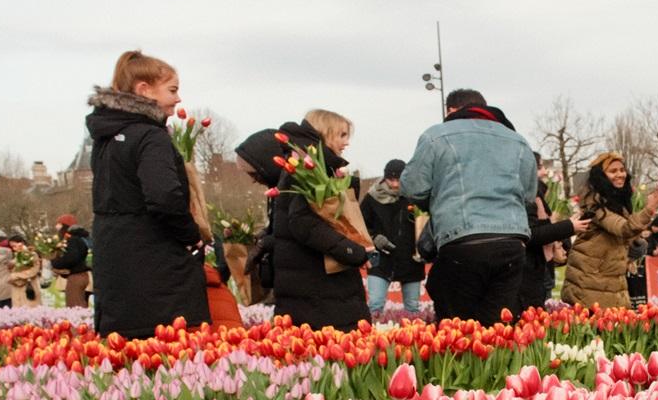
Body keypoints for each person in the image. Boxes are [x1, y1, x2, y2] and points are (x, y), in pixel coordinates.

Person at [85, 49, 210, 338]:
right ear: (144, 90)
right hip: (155, 261)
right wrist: (191, 236)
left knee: (127, 356)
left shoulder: (105, 138)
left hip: (113, 254)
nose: (178, 99)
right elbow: (164, 197)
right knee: (165, 353)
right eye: (172, 90)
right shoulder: (149, 136)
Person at [401, 88, 538, 324]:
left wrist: (437, 198)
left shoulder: (437, 136)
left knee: (458, 328)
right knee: (498, 328)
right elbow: (528, 195)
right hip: (511, 241)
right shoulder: (518, 140)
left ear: (451, 111)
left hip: (462, 240)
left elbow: (412, 188)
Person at [233, 121, 370, 331]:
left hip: (320, 298)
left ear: (266, 164)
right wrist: (265, 240)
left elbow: (304, 226)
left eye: (254, 173)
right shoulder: (284, 187)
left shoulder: (301, 181)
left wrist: (355, 252)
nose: (254, 181)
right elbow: (292, 232)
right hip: (306, 296)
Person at [561, 152, 658, 308]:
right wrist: (651, 207)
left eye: (622, 170)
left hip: (611, 278)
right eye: (613, 171)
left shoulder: (617, 202)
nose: (620, 174)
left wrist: (637, 244)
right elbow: (623, 229)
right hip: (590, 281)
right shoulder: (594, 203)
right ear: (601, 176)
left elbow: (626, 234)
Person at [517, 155, 587, 314]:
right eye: (540, 167)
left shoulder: (538, 195)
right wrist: (568, 226)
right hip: (529, 272)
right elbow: (531, 233)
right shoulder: (528, 196)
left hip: (539, 270)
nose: (543, 173)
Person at [361, 159, 424, 318]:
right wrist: (374, 238)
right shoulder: (371, 198)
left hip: (411, 259)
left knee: (413, 309)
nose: (395, 184)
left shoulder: (416, 197)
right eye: (391, 180)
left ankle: (413, 341)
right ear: (384, 178)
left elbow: (426, 223)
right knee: (375, 305)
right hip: (379, 258)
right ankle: (371, 339)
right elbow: (359, 227)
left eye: (399, 180)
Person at [52, 215, 92, 307]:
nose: (57, 227)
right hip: (84, 275)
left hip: (76, 276)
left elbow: (71, 258)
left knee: (75, 306)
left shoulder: (72, 240)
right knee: (82, 303)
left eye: (59, 224)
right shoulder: (82, 238)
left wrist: (54, 262)